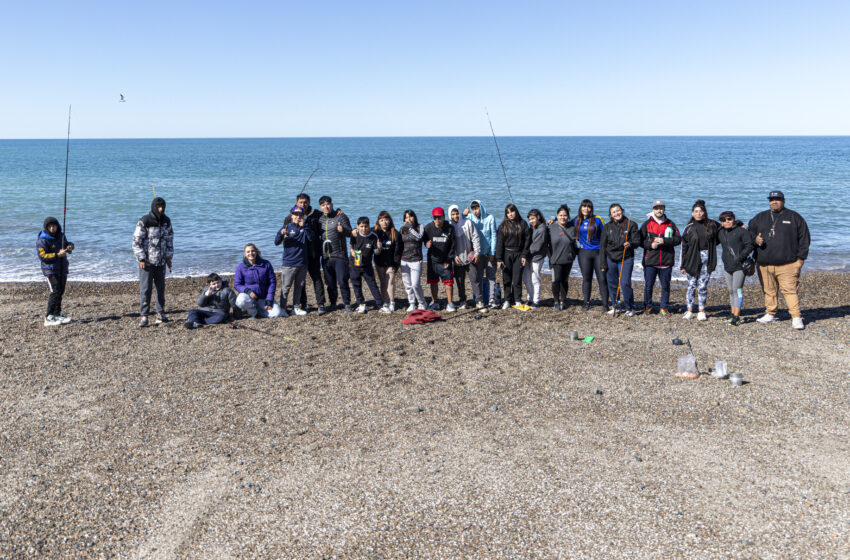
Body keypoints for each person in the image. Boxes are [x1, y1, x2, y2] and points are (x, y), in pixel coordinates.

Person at [747, 190, 810, 330]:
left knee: (790, 291)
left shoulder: (794, 217)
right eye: (771, 199)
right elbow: (748, 234)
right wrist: (754, 239)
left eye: (777, 199)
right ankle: (770, 313)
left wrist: (800, 260)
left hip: (788, 264)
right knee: (769, 291)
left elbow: (804, 239)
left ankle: (796, 317)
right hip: (764, 264)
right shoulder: (760, 217)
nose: (774, 202)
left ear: (784, 201)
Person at [133, 197, 174, 327]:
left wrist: (168, 258)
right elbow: (136, 242)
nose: (161, 209)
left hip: (161, 262)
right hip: (147, 263)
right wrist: (141, 258)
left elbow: (169, 241)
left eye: (162, 206)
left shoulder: (167, 221)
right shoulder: (145, 221)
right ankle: (144, 316)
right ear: (153, 207)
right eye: (158, 207)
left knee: (161, 288)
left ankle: (160, 313)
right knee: (146, 289)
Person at [284, 193, 327, 315]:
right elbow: (285, 237)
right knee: (300, 281)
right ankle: (302, 304)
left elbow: (328, 215)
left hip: (313, 253)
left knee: (317, 278)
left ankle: (321, 304)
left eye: (305, 202)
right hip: (299, 254)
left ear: (309, 202)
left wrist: (339, 212)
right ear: (297, 203)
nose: (303, 204)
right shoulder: (289, 218)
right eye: (301, 202)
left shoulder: (317, 215)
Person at [679, 200, 720, 321]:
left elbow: (724, 231)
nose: (698, 213)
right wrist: (682, 265)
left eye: (701, 211)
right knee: (691, 285)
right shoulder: (689, 228)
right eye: (696, 211)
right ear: (692, 213)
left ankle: (701, 310)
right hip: (692, 259)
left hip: (707, 258)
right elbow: (684, 247)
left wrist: (739, 225)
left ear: (704, 212)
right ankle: (689, 309)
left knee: (702, 286)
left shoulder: (712, 224)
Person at [640, 200, 681, 316]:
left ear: (664, 209)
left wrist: (665, 241)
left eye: (661, 208)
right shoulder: (647, 224)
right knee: (648, 286)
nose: (659, 210)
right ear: (653, 210)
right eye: (656, 208)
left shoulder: (670, 224)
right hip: (650, 261)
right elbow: (639, 241)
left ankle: (664, 307)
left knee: (666, 286)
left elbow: (678, 239)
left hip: (666, 261)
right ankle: (648, 306)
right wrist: (650, 245)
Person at [600, 203, 641, 316]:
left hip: (626, 258)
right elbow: (602, 246)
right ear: (611, 215)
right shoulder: (607, 227)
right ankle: (615, 305)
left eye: (618, 210)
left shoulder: (631, 224)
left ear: (622, 211)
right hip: (611, 258)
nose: (616, 213)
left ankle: (630, 307)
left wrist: (630, 243)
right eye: (614, 212)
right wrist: (603, 264)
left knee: (624, 283)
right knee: (612, 283)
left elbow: (637, 241)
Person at [717, 210, 755, 326]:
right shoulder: (721, 232)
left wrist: (740, 257)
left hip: (739, 266)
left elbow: (750, 245)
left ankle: (737, 316)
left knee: (737, 290)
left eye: (729, 219)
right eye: (723, 220)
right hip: (727, 266)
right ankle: (732, 314)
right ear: (721, 222)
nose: (727, 221)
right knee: (731, 291)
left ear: (733, 219)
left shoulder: (741, 231)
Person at [275, 205, 315, 316]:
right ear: (291, 215)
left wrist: (305, 227)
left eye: (300, 215)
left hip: (302, 263)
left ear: (303, 216)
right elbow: (276, 242)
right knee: (286, 287)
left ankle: (296, 307)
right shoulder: (287, 227)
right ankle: (282, 308)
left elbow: (311, 238)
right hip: (289, 264)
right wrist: (281, 234)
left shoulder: (305, 227)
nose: (298, 217)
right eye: (296, 215)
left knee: (299, 286)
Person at [317, 196, 353, 312]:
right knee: (330, 282)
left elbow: (350, 233)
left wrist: (343, 230)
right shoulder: (320, 219)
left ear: (331, 205)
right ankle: (333, 303)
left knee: (342, 280)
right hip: (326, 256)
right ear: (320, 207)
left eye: (328, 204)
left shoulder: (340, 216)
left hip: (340, 255)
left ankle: (347, 303)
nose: (326, 207)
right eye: (323, 205)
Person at [37, 216, 75, 326]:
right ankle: (49, 317)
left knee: (61, 291)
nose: (52, 228)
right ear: (47, 228)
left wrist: (70, 247)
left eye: (54, 226)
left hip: (62, 268)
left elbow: (67, 245)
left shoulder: (61, 236)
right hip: (50, 270)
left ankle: (57, 313)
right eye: (50, 226)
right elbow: (42, 256)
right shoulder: (42, 240)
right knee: (55, 291)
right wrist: (57, 255)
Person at [573, 199, 608, 312]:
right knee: (586, 279)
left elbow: (605, 234)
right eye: (584, 206)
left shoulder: (598, 219)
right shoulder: (576, 220)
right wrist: (552, 221)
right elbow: (563, 222)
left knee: (602, 279)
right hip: (584, 253)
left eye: (588, 207)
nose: (586, 209)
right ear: (580, 208)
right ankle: (586, 302)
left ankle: (605, 303)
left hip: (598, 253)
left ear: (591, 209)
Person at [349, 217, 389, 313]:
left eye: (366, 227)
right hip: (354, 264)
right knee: (356, 285)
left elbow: (376, 252)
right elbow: (350, 245)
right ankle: (361, 304)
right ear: (357, 227)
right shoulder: (354, 234)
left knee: (373, 285)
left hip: (367, 265)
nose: (364, 229)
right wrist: (351, 251)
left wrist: (379, 248)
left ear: (368, 226)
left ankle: (380, 305)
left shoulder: (373, 236)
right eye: (361, 227)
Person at [234, 244, 284, 318]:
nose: (250, 253)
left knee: (277, 314)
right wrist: (248, 291)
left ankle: (259, 310)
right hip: (249, 297)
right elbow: (237, 284)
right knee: (240, 301)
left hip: (264, 297)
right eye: (248, 252)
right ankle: (253, 312)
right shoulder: (240, 267)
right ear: (245, 254)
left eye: (252, 251)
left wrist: (269, 300)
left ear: (256, 252)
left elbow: (272, 283)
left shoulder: (266, 264)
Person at [464, 200, 498, 308]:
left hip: (488, 254)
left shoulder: (490, 218)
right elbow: (455, 220)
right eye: (473, 209)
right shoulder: (469, 218)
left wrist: (492, 252)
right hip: (476, 254)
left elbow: (494, 236)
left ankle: (492, 299)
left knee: (491, 277)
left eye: (477, 208)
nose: (475, 211)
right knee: (477, 278)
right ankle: (479, 299)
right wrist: (463, 214)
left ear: (481, 207)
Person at [448, 204, 482, 310]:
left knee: (475, 279)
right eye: (453, 214)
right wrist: (454, 256)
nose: (455, 216)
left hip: (470, 257)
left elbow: (475, 237)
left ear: (460, 213)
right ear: (449, 215)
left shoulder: (467, 223)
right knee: (459, 281)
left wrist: (477, 253)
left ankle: (479, 301)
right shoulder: (449, 226)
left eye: (457, 213)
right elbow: (449, 245)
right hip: (458, 258)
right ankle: (463, 301)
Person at [422, 207, 456, 312]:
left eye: (439, 218)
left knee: (449, 282)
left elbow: (453, 245)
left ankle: (450, 303)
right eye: (435, 218)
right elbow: (423, 239)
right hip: (433, 260)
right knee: (433, 282)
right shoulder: (428, 228)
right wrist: (426, 243)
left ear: (444, 217)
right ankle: (435, 301)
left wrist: (449, 259)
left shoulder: (450, 228)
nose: (437, 220)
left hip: (445, 260)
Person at [495, 203, 529, 310]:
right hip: (506, 254)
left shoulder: (523, 224)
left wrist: (524, 255)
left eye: (512, 211)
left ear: (516, 211)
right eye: (508, 213)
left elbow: (527, 241)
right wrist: (499, 258)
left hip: (519, 254)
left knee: (517, 278)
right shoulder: (502, 226)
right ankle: (507, 300)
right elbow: (499, 243)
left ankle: (517, 299)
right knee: (506, 278)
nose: (510, 214)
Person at [373, 210, 403, 312]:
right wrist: (354, 230)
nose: (384, 222)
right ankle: (385, 302)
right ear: (378, 222)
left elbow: (398, 251)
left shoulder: (395, 233)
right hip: (379, 262)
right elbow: (363, 230)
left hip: (391, 263)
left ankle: (392, 302)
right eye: (382, 220)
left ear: (390, 220)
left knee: (390, 281)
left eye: (386, 220)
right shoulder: (375, 232)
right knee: (383, 283)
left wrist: (395, 265)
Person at [548, 205, 576, 311]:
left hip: (568, 259)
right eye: (560, 215)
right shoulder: (551, 227)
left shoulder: (572, 227)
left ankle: (563, 301)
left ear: (568, 217)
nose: (563, 217)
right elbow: (545, 243)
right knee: (556, 280)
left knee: (564, 280)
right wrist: (549, 256)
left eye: (565, 215)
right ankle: (556, 301)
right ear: (557, 216)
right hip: (555, 259)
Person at [400, 210, 428, 312]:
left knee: (415, 284)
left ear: (414, 217)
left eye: (411, 217)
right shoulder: (402, 229)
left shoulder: (419, 227)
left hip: (416, 259)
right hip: (404, 260)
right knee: (407, 284)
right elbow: (400, 243)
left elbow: (419, 237)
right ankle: (411, 303)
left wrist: (410, 227)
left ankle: (422, 302)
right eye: (406, 218)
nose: (409, 219)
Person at [523, 209, 548, 309]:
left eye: (533, 219)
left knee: (535, 279)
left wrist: (524, 253)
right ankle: (530, 298)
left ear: (538, 217)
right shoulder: (533, 228)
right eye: (529, 219)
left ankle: (536, 300)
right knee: (526, 278)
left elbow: (536, 247)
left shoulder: (542, 229)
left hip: (537, 258)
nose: (531, 221)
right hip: (529, 257)